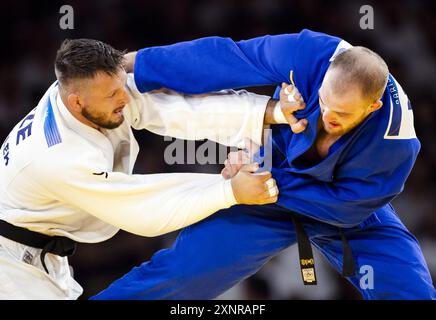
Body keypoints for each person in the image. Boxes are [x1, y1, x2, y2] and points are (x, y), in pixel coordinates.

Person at [92, 29, 436, 300]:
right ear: (323, 78)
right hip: (271, 184)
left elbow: (343, 210)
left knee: (410, 291)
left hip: (344, 208)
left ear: (372, 108)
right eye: (324, 103)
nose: (328, 116)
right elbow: (225, 58)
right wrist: (130, 63)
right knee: (185, 273)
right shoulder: (309, 55)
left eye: (342, 115)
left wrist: (257, 179)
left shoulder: (396, 147)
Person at [0, 38, 302, 299]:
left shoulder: (86, 90)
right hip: (11, 263)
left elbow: (176, 108)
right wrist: (229, 192)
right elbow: (142, 207)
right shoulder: (59, 157)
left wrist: (269, 111)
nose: (123, 98)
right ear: (76, 102)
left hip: (39, 247)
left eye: (121, 87)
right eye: (112, 96)